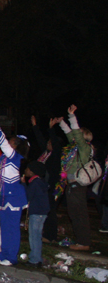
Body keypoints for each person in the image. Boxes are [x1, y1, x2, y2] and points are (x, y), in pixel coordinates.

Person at [0, 107, 29, 266]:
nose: (7, 142)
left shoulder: (15, 157)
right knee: (4, 227)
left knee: (12, 228)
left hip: (14, 197)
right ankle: (3, 253)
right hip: (4, 196)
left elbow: (2, 141)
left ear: (16, 145)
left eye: (11, 141)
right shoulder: (5, 157)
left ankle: (11, 256)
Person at [55, 105, 93, 251]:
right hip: (71, 185)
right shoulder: (76, 148)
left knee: (79, 215)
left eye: (79, 134)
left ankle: (84, 242)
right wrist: (62, 123)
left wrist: (72, 116)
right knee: (74, 214)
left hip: (78, 186)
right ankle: (81, 241)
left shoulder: (85, 148)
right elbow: (71, 135)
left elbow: (75, 135)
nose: (75, 136)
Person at [24, 161, 49, 267]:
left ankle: (34, 259)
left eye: (27, 169)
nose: (25, 171)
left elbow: (28, 196)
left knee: (34, 236)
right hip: (42, 212)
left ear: (32, 171)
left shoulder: (34, 183)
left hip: (37, 212)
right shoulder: (40, 182)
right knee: (37, 236)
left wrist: (23, 184)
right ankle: (37, 258)